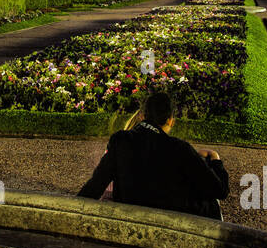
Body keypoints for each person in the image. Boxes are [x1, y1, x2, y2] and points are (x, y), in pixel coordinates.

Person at [77, 92, 229, 219]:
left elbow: (94, 187)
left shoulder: (120, 141)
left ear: (142, 116)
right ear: (171, 121)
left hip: (128, 224)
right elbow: (220, 190)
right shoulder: (180, 148)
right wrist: (215, 159)